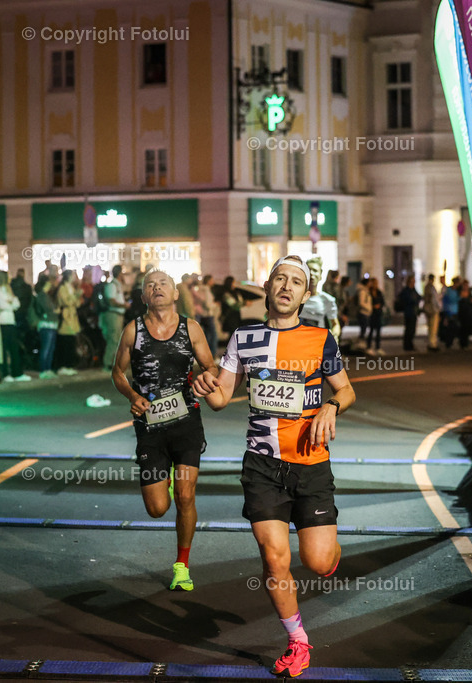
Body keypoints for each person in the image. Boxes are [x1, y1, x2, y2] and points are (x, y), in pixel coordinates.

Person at [192, 255, 356, 678]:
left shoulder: (321, 339)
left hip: (312, 463)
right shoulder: (243, 338)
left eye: (296, 282)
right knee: (274, 557)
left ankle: (329, 553)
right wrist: (203, 384)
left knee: (317, 562)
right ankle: (298, 640)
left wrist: (332, 407)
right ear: (266, 287)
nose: (286, 286)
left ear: (305, 295)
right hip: (262, 465)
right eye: (279, 278)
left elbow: (347, 390)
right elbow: (220, 397)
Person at [112, 269, 218, 592]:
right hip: (150, 429)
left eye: (163, 284)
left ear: (175, 294)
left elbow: (211, 366)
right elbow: (117, 371)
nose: (156, 288)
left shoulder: (191, 328)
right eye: (150, 286)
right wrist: (133, 395)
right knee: (157, 508)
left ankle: (182, 565)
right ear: (143, 296)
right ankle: (164, 480)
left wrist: (206, 378)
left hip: (186, 423)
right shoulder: (133, 330)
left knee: (186, 496)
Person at [0, 270, 28, 382]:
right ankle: (5, 373)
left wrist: (10, 303)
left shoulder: (9, 289)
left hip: (10, 320)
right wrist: (10, 304)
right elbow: (1, 305)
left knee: (14, 347)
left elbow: (16, 303)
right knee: (4, 348)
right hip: (2, 322)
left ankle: (17, 372)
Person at [300, 257, 341, 340]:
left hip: (318, 343)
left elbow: (335, 325)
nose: (311, 273)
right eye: (308, 270)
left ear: (320, 274)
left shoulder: (327, 300)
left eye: (315, 270)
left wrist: (334, 335)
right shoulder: (295, 298)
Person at [100, 265, 129, 371]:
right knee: (113, 339)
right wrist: (123, 305)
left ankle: (113, 363)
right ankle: (107, 363)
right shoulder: (112, 285)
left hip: (118, 315)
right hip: (113, 315)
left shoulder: (117, 285)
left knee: (117, 339)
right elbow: (111, 301)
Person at [55, 269, 81, 375]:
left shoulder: (72, 288)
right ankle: (64, 366)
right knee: (66, 342)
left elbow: (77, 303)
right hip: (66, 317)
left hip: (73, 317)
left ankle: (69, 365)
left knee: (71, 342)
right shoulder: (62, 288)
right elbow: (66, 302)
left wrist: (75, 298)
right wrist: (75, 297)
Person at [33, 275, 60, 379]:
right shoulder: (42, 296)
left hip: (51, 324)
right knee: (46, 348)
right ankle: (43, 370)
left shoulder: (46, 295)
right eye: (49, 284)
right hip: (46, 324)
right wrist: (55, 311)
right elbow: (48, 309)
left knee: (50, 348)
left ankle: (47, 369)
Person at [194, 274, 220, 357]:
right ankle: (212, 355)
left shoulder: (199, 290)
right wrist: (215, 304)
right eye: (212, 280)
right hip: (208, 315)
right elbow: (208, 305)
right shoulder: (206, 290)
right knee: (213, 336)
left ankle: (206, 354)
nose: (213, 282)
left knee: (206, 336)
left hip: (202, 315)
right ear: (208, 281)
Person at [396, 275, 422, 351]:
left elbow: (418, 297)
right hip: (409, 312)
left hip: (414, 312)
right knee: (409, 329)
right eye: (412, 281)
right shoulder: (406, 291)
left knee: (413, 329)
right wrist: (413, 301)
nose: (413, 283)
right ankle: (407, 345)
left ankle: (410, 344)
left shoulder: (413, 290)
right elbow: (407, 300)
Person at [366, 277, 385, 356]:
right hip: (372, 314)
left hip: (378, 313)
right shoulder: (368, 292)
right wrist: (373, 306)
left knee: (378, 331)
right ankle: (369, 347)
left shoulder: (379, 292)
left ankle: (378, 347)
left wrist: (379, 306)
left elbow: (383, 301)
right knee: (371, 331)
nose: (375, 285)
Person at [423, 274, 441, 352]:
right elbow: (432, 299)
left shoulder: (428, 287)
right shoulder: (430, 287)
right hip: (432, 310)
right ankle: (432, 344)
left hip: (429, 309)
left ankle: (432, 343)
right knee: (433, 328)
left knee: (431, 328)